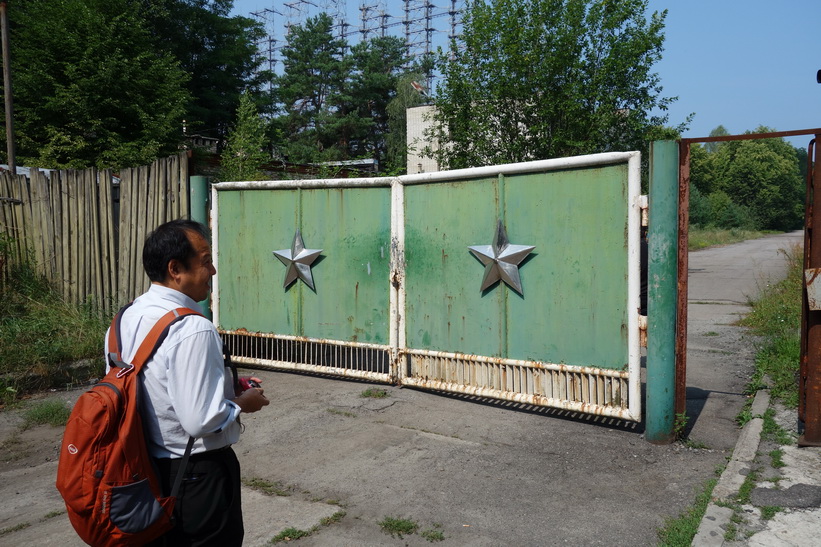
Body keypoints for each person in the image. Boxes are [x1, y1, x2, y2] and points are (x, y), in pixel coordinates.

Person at [105, 219, 269, 546]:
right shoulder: (192, 328)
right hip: (196, 478)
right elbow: (199, 420)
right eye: (205, 261)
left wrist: (223, 383)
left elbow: (154, 385)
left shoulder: (124, 318)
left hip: (140, 471)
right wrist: (241, 404)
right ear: (175, 268)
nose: (213, 271)